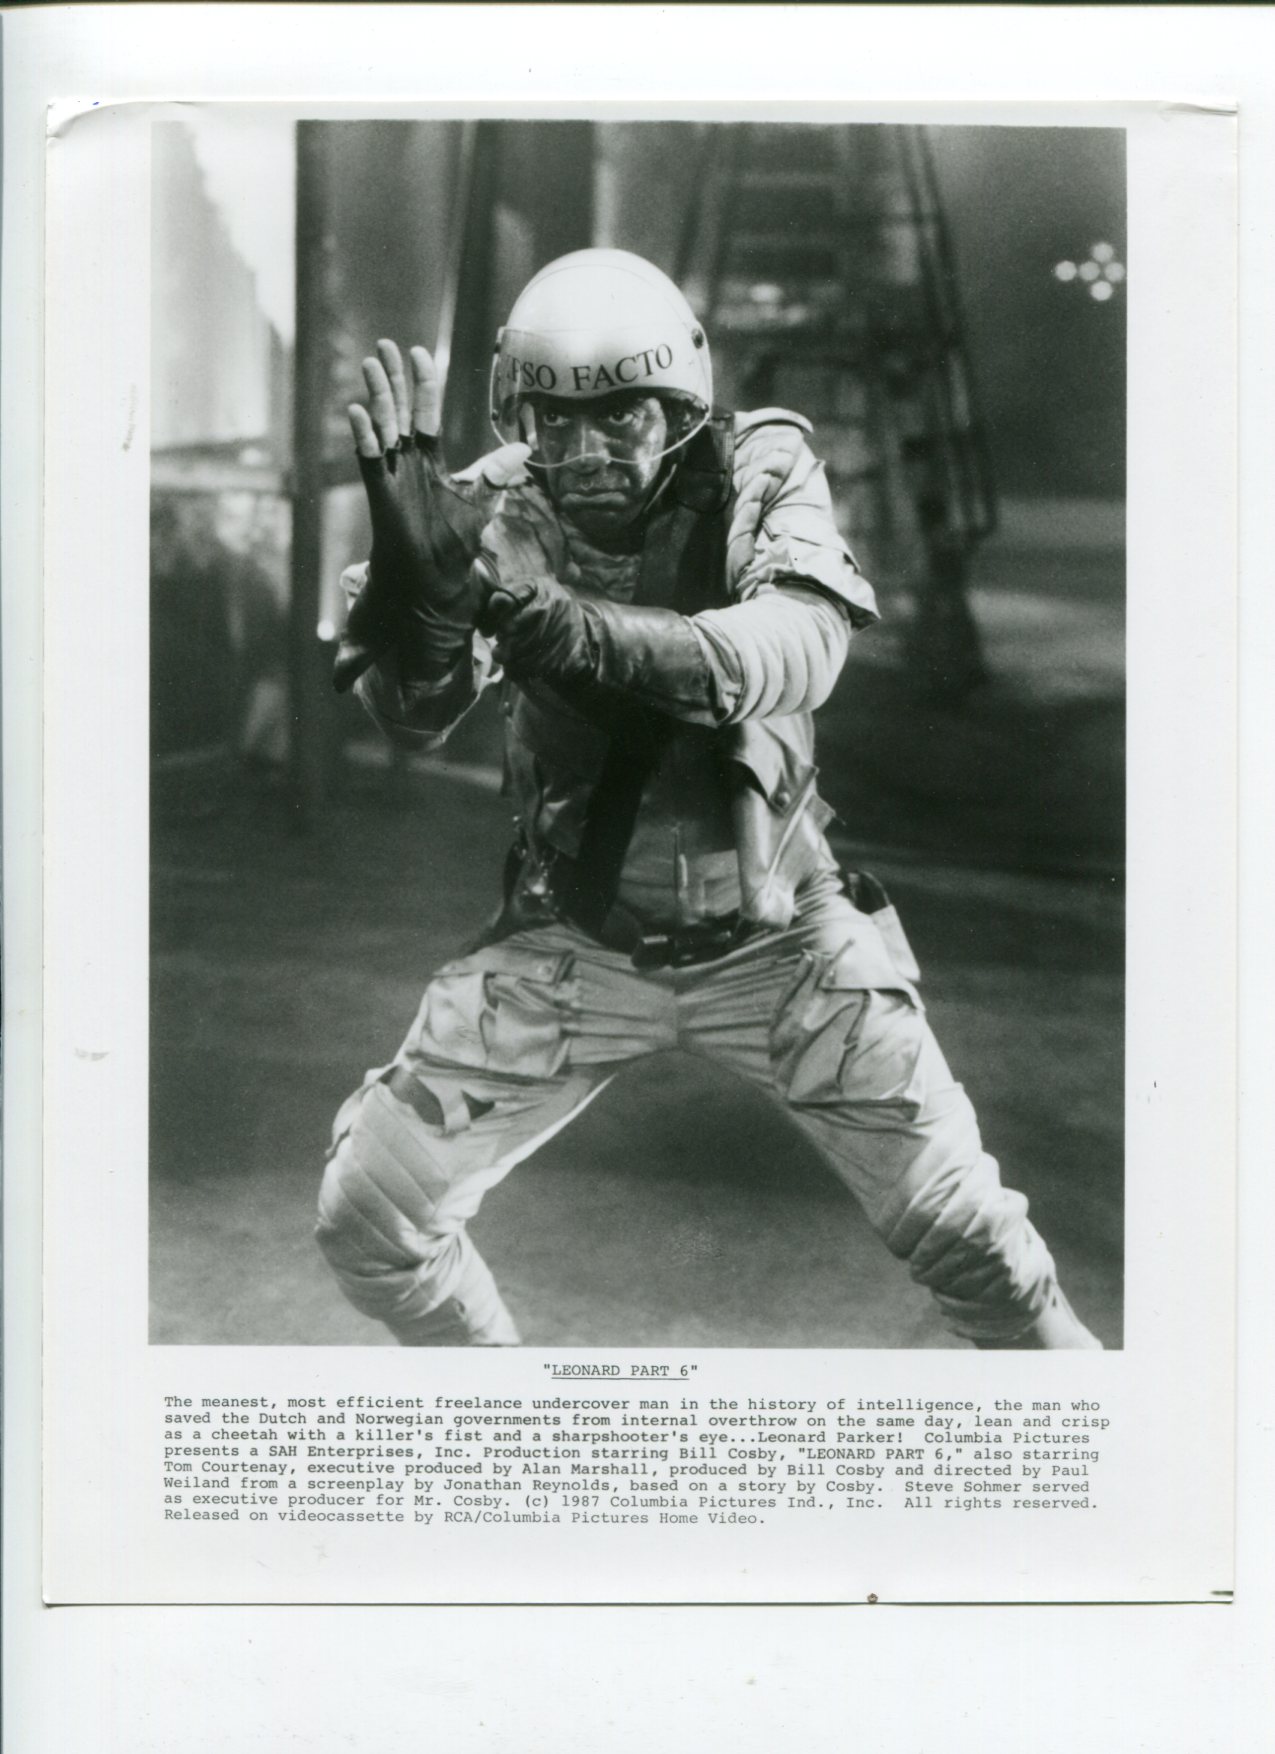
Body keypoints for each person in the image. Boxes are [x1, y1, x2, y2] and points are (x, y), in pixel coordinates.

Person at [315, 247, 1101, 1350]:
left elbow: (801, 642)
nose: (586, 453)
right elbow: (416, 715)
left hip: (779, 938)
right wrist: (422, 612)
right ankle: (503, 1429)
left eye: (621, 417)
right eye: (554, 421)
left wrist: (567, 627)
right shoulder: (493, 506)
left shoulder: (755, 469)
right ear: (519, 416)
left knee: (981, 1250)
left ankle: (1097, 1442)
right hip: (574, 938)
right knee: (370, 1221)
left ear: (680, 410)